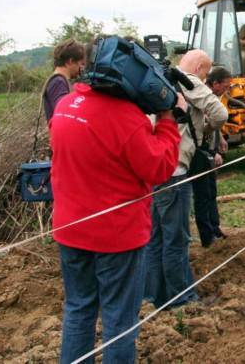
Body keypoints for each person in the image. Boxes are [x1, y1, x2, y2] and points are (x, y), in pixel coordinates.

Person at [49, 72, 183, 363]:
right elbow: (160, 168)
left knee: (78, 309)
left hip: (70, 229)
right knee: (119, 321)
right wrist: (167, 121)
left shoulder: (65, 105)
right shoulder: (125, 117)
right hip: (116, 236)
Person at [144, 50, 228, 308]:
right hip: (174, 171)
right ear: (201, 67)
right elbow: (221, 114)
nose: (206, 76)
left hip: (150, 171)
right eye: (207, 71)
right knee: (177, 239)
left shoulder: (156, 79)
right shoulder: (189, 81)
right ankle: (183, 300)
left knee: (155, 238)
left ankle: (153, 296)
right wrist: (205, 131)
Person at [193, 67, 232, 247]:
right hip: (200, 153)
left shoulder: (214, 97)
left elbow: (213, 124)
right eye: (225, 86)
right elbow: (203, 126)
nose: (227, 89)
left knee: (211, 192)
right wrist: (214, 152)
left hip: (209, 150)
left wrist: (221, 137)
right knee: (203, 195)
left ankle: (215, 228)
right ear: (215, 84)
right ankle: (207, 237)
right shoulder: (202, 97)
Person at [44, 39, 86, 121]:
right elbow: (65, 113)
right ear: (70, 61)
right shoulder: (58, 82)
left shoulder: (60, 81)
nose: (81, 69)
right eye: (81, 64)